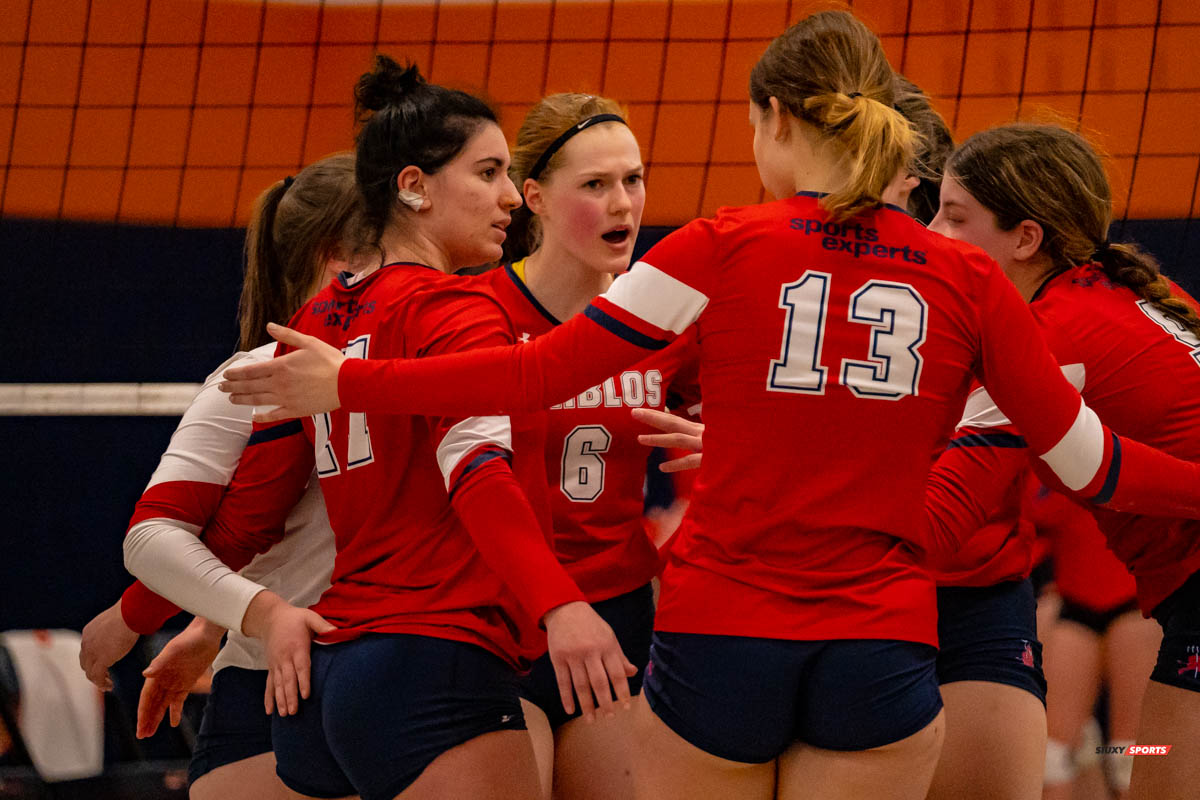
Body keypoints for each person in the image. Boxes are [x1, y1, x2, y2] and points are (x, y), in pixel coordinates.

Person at [218, 14, 1200, 800]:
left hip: (725, 629)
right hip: (879, 637)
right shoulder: (967, 277)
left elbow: (534, 376)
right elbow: (1090, 466)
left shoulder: (719, 245)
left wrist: (348, 381)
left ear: (775, 117)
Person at [128, 56, 633, 800]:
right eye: (488, 174)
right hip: (435, 661)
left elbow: (251, 513)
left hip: (334, 675)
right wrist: (562, 605)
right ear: (414, 186)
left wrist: (173, 617)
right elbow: (476, 473)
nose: (508, 199)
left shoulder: (317, 320)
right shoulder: (458, 310)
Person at [78, 152, 368, 800]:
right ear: (337, 260)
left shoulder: (436, 362)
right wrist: (243, 616)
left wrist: (206, 625)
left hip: (390, 683)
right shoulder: (256, 375)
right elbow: (156, 538)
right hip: (271, 682)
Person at [923, 122, 1200, 800]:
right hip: (1133, 599)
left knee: (1126, 759)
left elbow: (945, 519)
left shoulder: (1049, 335)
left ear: (1025, 238)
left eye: (953, 217)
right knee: (1098, 758)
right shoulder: (1133, 295)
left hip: (1175, 590)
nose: (929, 232)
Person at [487, 92, 698, 800]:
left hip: (618, 613)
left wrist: (725, 442)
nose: (623, 204)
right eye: (596, 185)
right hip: (496, 618)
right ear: (535, 198)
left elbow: (760, 438)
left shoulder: (666, 321)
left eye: (633, 180)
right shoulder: (476, 311)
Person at [1029, 481, 1159, 799]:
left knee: (1132, 756)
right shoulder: (1037, 456)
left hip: (1135, 602)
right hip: (1073, 601)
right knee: (1051, 758)